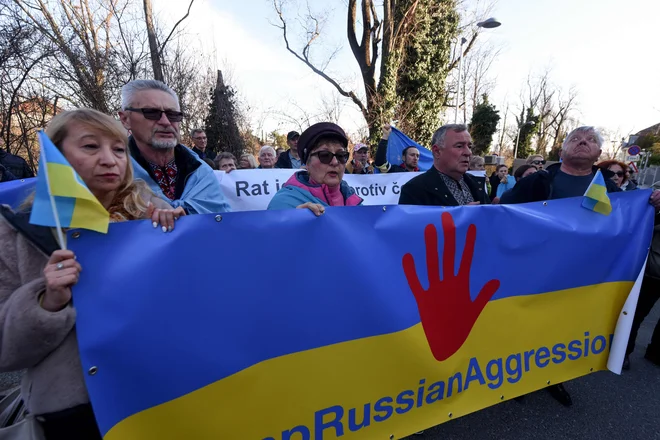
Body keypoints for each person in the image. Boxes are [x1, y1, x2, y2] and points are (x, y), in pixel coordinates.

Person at [0, 108, 184, 439]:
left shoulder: (155, 213)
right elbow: (6, 350)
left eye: (117, 149)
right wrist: (47, 302)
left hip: (162, 391)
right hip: (75, 413)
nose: (109, 160)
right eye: (90, 147)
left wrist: (183, 238)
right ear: (57, 155)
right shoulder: (15, 232)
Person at [499, 125, 660, 406]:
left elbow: (627, 226)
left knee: (564, 328)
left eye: (589, 141)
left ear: (599, 152)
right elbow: (503, 212)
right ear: (562, 150)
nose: (582, 143)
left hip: (580, 276)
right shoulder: (538, 181)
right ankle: (519, 378)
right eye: (575, 139)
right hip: (534, 271)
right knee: (527, 325)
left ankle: (554, 377)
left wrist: (651, 206)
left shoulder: (611, 191)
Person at [119, 80, 229, 214]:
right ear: (125, 119)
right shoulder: (111, 174)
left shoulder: (202, 172)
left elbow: (224, 222)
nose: (165, 122)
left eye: (173, 115)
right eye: (151, 113)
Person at [268, 122, 362, 214]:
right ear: (307, 164)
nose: (335, 162)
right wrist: (291, 222)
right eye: (325, 155)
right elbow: (271, 227)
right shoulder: (284, 204)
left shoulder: (355, 201)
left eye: (341, 155)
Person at [398, 124, 490, 206]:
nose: (468, 152)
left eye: (469, 147)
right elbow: (413, 225)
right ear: (437, 151)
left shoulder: (477, 184)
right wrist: (460, 216)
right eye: (459, 146)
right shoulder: (414, 189)